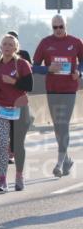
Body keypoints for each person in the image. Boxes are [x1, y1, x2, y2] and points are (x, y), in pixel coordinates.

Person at [32, 16, 83, 177]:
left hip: (69, 89)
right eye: (55, 27)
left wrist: (79, 72)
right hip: (52, 89)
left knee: (64, 124)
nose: (58, 29)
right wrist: (48, 69)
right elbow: (33, 67)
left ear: (65, 26)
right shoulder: (45, 43)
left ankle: (59, 164)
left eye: (61, 26)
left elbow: (82, 62)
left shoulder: (76, 42)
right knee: (57, 126)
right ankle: (66, 159)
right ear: (52, 27)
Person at [0, 34, 34, 192]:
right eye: (4, 44)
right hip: (0, 108)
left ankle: (19, 176)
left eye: (10, 44)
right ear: (0, 47)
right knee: (2, 144)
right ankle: (2, 181)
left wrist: (13, 81)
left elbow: (29, 85)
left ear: (16, 48)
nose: (7, 47)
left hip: (19, 108)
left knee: (17, 145)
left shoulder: (22, 64)